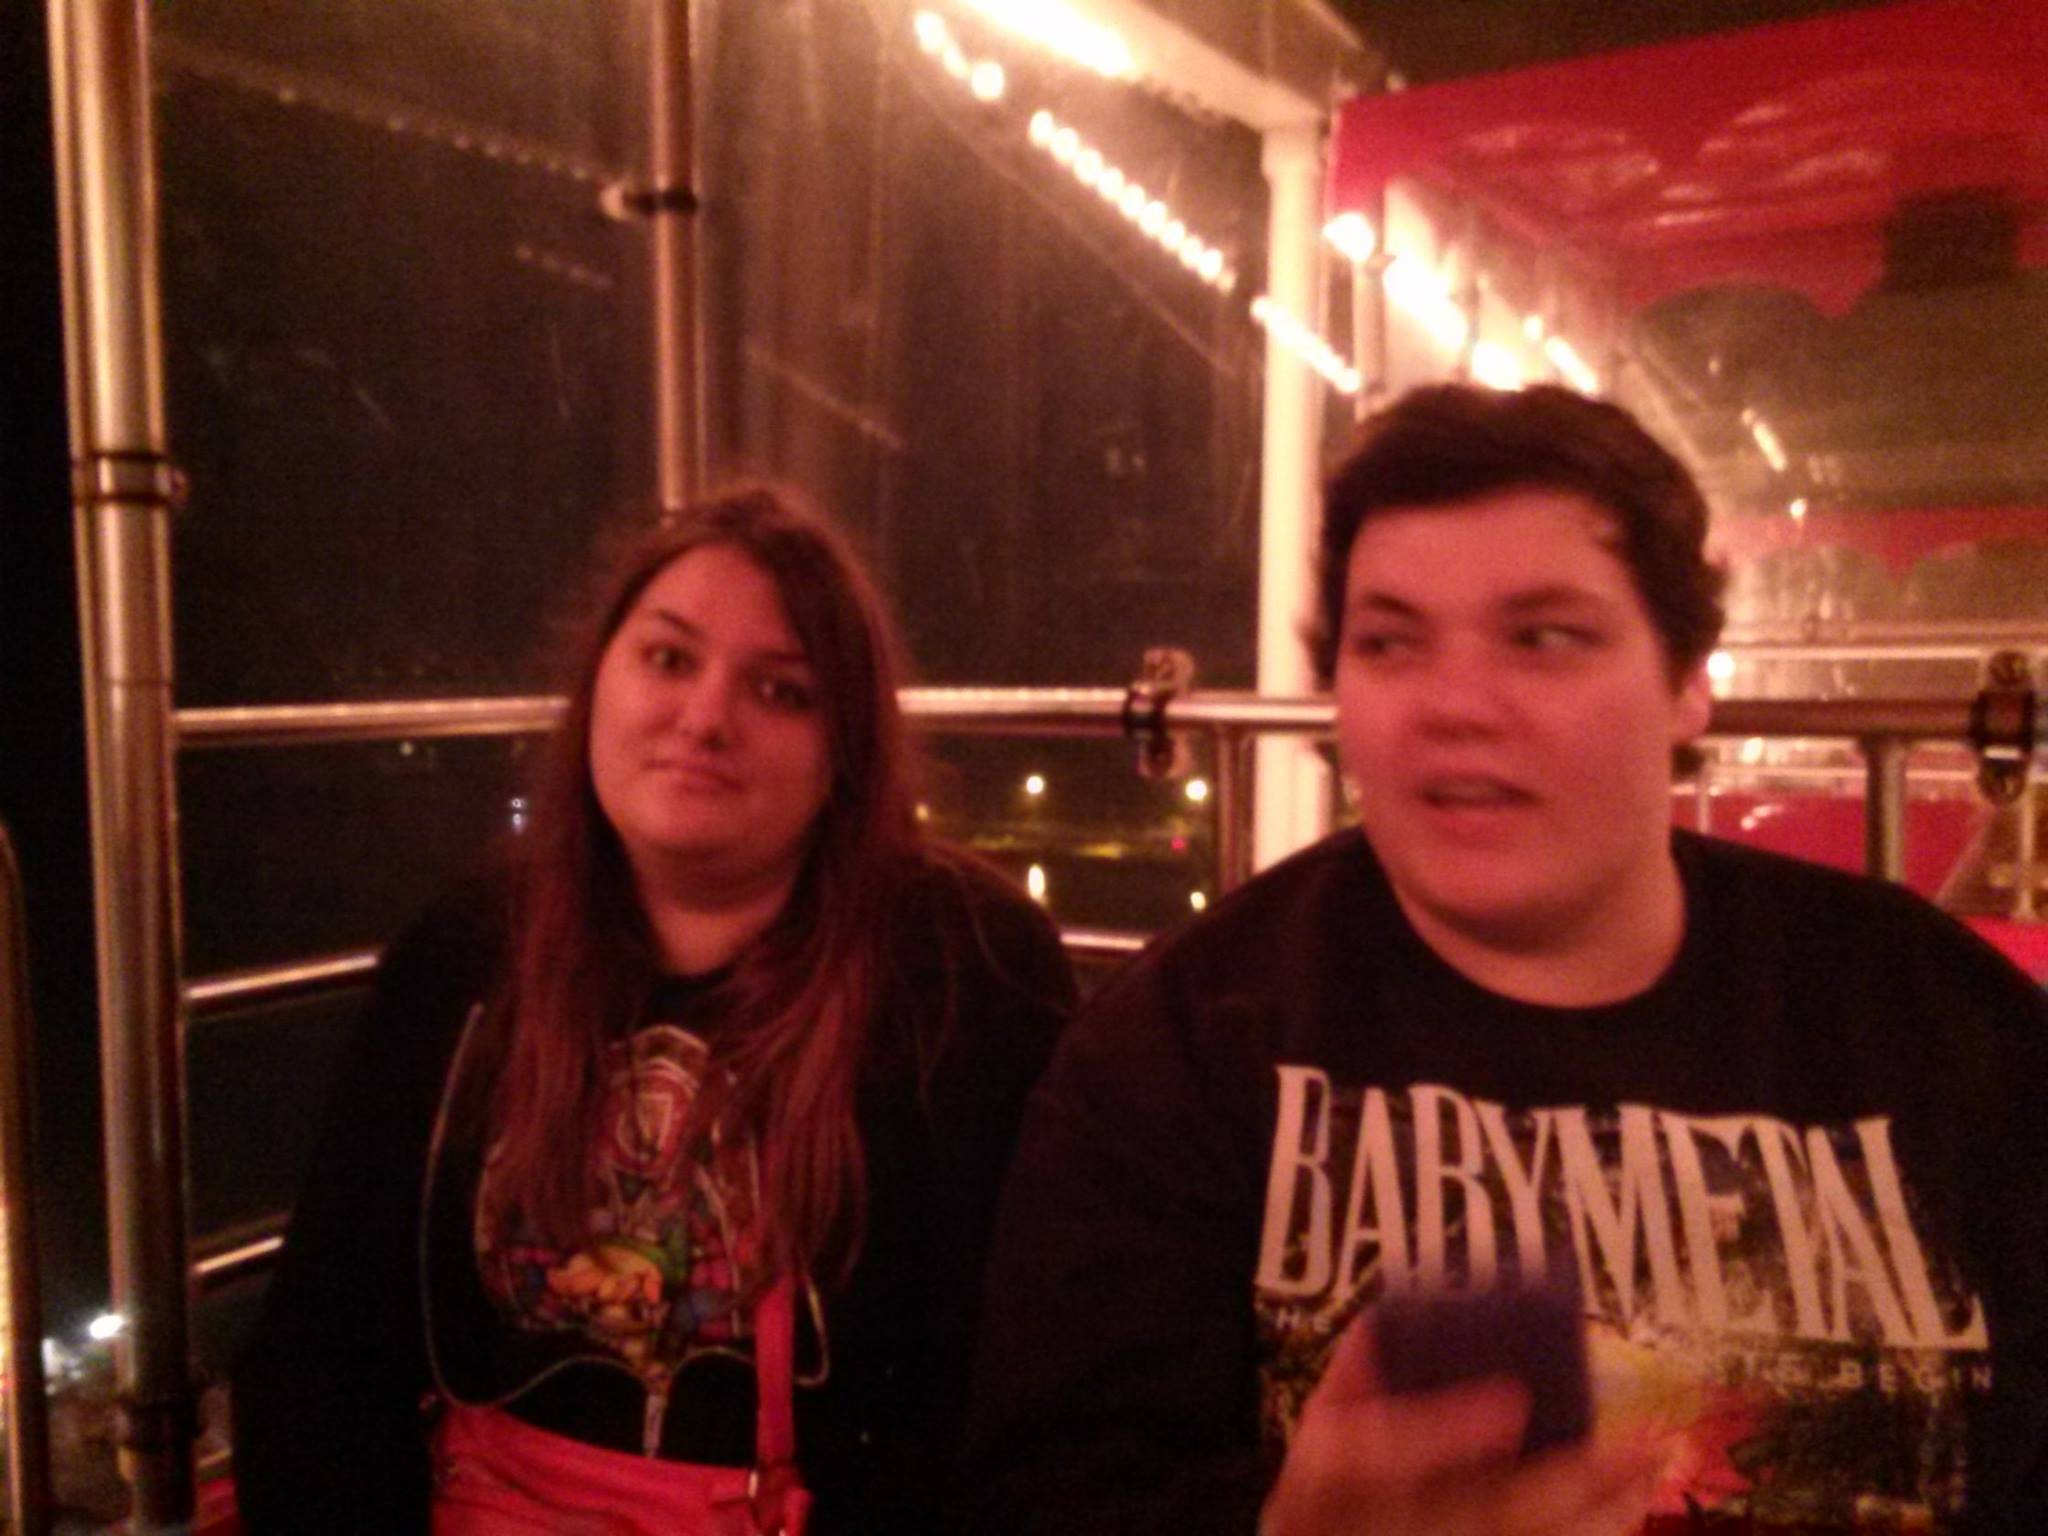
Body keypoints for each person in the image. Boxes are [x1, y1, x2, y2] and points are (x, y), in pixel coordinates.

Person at [962, 384, 2048, 1534]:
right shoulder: (1175, 1051)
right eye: (1389, 642)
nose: (1454, 705)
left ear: (1686, 681)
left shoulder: (1936, 1020)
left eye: (1542, 637)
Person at [233, 483, 1076, 1534]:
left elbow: (1007, 1408)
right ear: (597, 683)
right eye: (670, 659)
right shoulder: (464, 954)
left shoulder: (964, 974)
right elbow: (322, 1360)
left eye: (780, 691)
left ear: (844, 752)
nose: (705, 719)